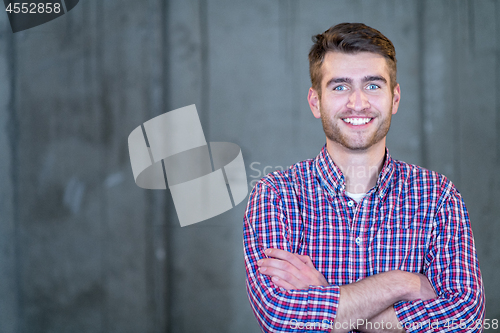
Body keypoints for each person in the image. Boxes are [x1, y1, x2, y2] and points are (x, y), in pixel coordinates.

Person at [243, 23, 485, 332]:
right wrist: (403, 283)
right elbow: (284, 321)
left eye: (373, 85)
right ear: (315, 101)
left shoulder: (437, 196)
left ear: (394, 98)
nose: (358, 103)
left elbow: (465, 320)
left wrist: (327, 302)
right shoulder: (275, 196)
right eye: (340, 86)